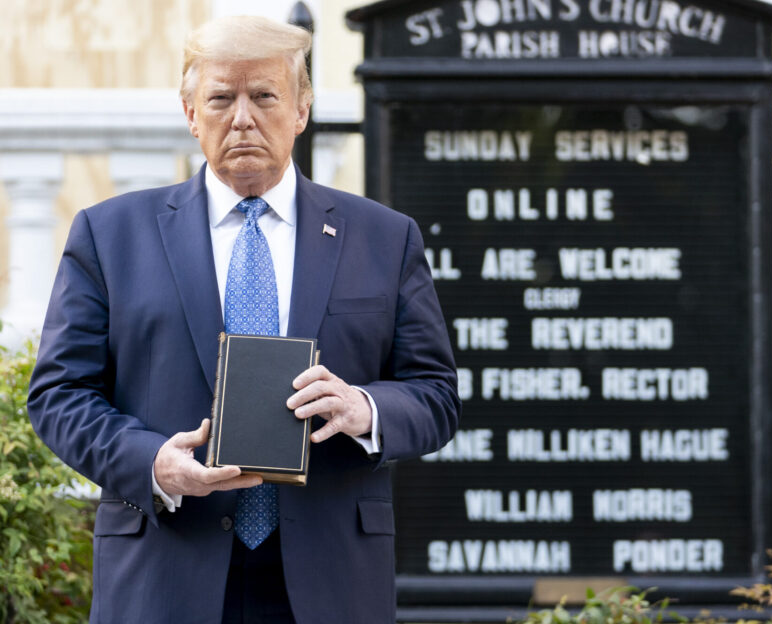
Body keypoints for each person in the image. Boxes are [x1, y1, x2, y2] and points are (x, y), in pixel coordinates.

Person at [26, 14, 460, 624]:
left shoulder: (384, 239)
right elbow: (58, 394)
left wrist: (365, 409)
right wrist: (150, 462)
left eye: (264, 96)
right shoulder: (109, 235)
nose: (242, 118)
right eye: (221, 98)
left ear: (302, 109)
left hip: (329, 580)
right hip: (165, 572)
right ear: (189, 112)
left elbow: (437, 395)